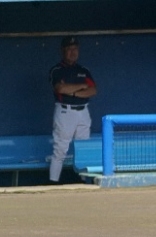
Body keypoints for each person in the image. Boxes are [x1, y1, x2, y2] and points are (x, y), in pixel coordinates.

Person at [48, 36, 97, 183]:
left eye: (75, 49)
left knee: (83, 149)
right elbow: (60, 88)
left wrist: (73, 92)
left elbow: (93, 90)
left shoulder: (84, 70)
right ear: (62, 51)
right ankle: (52, 183)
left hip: (83, 112)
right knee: (60, 150)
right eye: (69, 49)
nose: (72, 52)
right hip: (65, 112)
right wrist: (81, 86)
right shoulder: (57, 70)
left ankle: (83, 182)